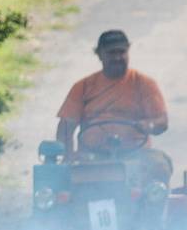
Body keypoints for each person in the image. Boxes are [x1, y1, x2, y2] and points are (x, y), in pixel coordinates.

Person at [56, 29, 172, 185]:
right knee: (59, 181)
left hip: (135, 156)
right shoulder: (82, 87)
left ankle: (152, 209)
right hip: (90, 158)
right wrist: (67, 157)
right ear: (99, 55)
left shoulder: (143, 84)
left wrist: (148, 125)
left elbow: (162, 122)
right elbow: (65, 127)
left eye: (121, 52)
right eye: (111, 53)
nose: (117, 58)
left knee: (160, 165)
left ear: (128, 52)